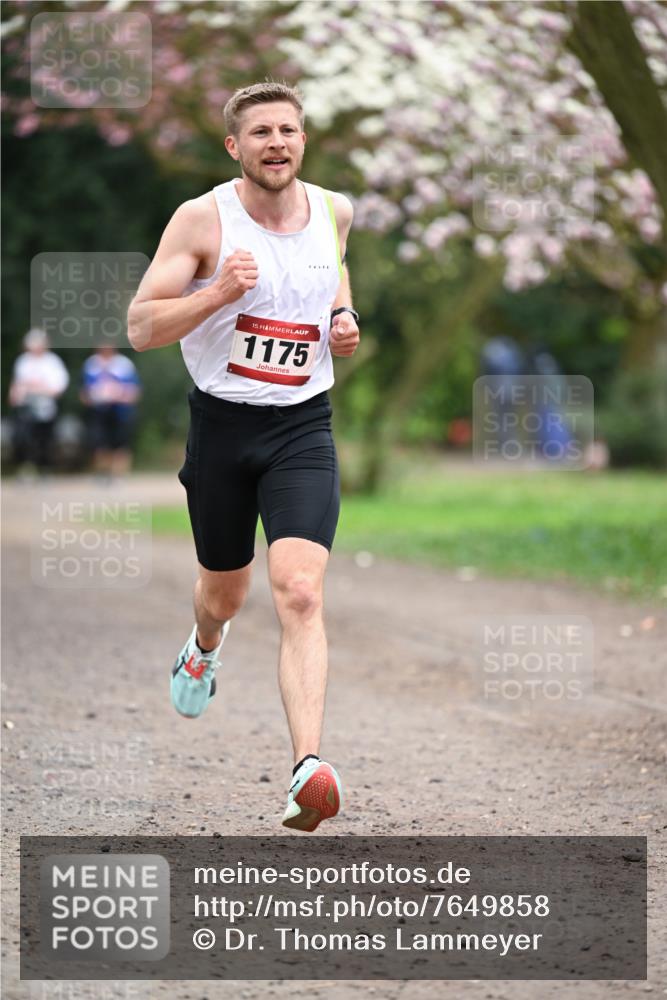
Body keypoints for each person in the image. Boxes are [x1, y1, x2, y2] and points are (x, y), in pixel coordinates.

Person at [127, 82, 360, 833]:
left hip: (302, 427)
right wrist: (217, 293)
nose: (276, 143)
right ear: (235, 147)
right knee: (224, 595)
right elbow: (141, 327)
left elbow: (333, 268)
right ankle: (203, 647)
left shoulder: (335, 211)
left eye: (287, 130)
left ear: (303, 140)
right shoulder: (202, 219)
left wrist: (342, 314)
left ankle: (307, 770)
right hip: (223, 428)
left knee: (300, 591)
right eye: (260, 132)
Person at [8, 328, 69, 475]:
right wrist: (14, 394)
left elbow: (58, 386)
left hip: (46, 407)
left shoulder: (52, 361)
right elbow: (17, 382)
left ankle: (45, 468)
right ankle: (27, 467)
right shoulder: (23, 361)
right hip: (25, 407)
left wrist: (39, 389)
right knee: (24, 438)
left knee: (45, 439)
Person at [80, 345, 142, 479]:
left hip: (120, 410)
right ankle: (103, 473)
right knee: (99, 444)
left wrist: (120, 395)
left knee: (121, 444)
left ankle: (119, 475)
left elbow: (135, 390)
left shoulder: (124, 364)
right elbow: (84, 391)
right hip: (98, 410)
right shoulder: (91, 364)